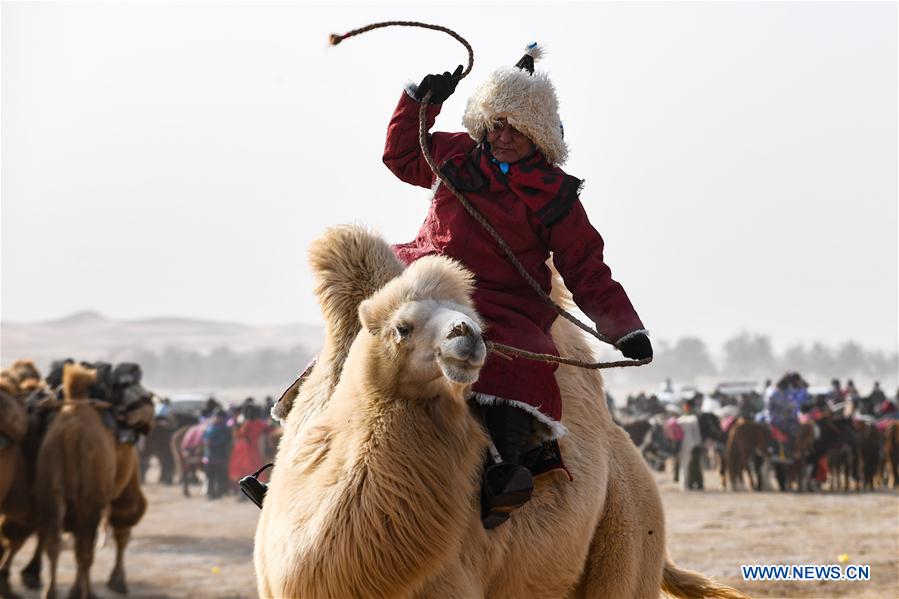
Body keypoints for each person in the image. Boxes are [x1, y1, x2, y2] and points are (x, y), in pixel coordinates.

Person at [384, 44, 651, 527]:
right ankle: (308, 441)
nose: (504, 137)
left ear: (539, 134)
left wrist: (625, 329)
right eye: (497, 125)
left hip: (502, 301)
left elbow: (586, 268)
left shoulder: (556, 196)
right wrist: (420, 103)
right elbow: (401, 156)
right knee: (359, 311)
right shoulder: (454, 155)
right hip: (425, 276)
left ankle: (506, 470)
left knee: (521, 352)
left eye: (518, 129)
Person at [228, 404, 273, 496]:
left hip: (246, 450)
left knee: (244, 471)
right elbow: (269, 429)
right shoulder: (260, 424)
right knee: (256, 470)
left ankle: (244, 493)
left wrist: (236, 426)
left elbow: (240, 435)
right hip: (255, 449)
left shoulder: (247, 424)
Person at [203, 409, 233, 500]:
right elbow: (204, 436)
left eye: (218, 417)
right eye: (215, 416)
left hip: (219, 455)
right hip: (209, 455)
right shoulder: (209, 427)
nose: (216, 418)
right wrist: (206, 442)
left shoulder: (225, 429)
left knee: (218, 475)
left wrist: (212, 443)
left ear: (222, 418)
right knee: (209, 475)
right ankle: (210, 492)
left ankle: (219, 492)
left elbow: (224, 441)